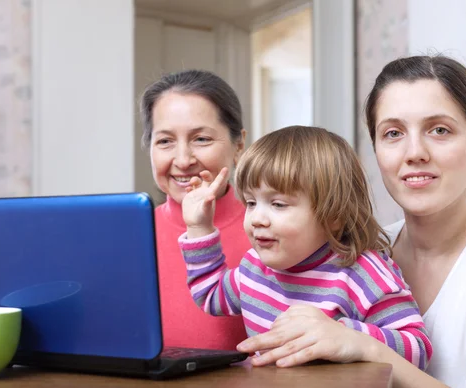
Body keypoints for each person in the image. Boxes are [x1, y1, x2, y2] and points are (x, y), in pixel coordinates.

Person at [234, 56, 466, 388]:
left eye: (439, 130)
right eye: (393, 133)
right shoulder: (363, 253)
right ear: (375, 149)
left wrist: (367, 347)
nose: (414, 152)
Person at [177, 126, 433, 370]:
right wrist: (199, 227)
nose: (256, 218)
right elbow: (211, 295)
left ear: (333, 216)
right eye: (251, 202)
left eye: (278, 204)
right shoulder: (254, 266)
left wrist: (343, 333)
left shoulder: (362, 274)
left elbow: (418, 350)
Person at [139, 70, 249, 350]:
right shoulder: (128, 238)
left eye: (201, 139)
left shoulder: (269, 229)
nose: (183, 160)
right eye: (165, 141)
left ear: (239, 145)